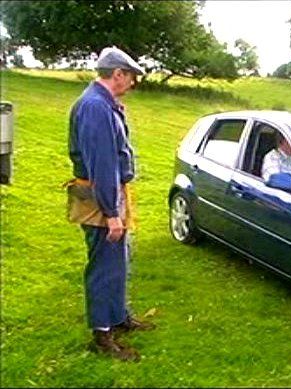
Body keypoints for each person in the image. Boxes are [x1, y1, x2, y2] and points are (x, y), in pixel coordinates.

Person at [66, 46, 153, 362]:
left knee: (118, 260)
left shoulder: (105, 104)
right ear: (118, 74)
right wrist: (112, 214)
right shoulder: (94, 107)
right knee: (104, 265)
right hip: (101, 199)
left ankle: (118, 318)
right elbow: (102, 163)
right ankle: (102, 334)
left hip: (110, 194)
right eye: (131, 77)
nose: (133, 83)